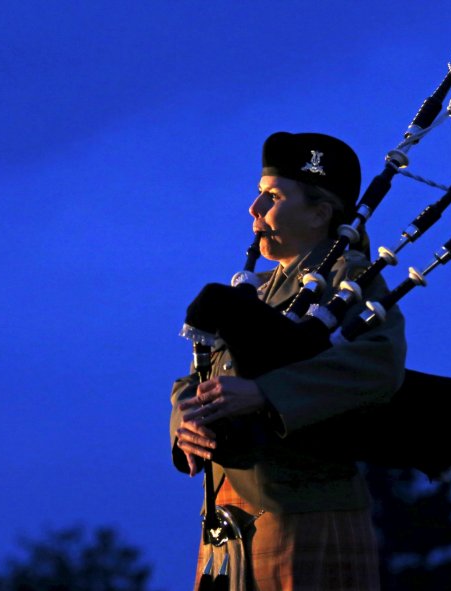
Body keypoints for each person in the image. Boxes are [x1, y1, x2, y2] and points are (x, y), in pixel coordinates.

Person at [169, 132, 407, 591]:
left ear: (320, 212)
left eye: (273, 196)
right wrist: (187, 420)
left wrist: (263, 394)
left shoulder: (351, 278)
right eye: (259, 194)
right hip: (227, 515)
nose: (255, 209)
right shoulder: (256, 290)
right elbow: (198, 374)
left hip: (304, 510)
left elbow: (379, 363)